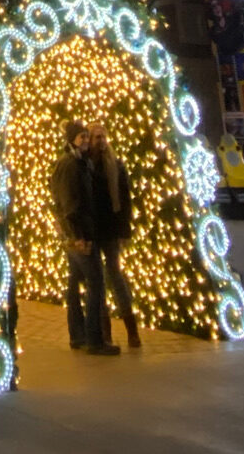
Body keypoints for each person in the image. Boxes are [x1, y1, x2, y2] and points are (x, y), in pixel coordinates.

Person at [50, 120, 119, 356]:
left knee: (75, 282)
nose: (87, 142)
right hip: (79, 234)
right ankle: (94, 339)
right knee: (96, 282)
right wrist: (79, 235)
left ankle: (78, 336)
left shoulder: (79, 162)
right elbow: (71, 204)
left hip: (75, 232)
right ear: (72, 140)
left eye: (86, 137)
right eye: (82, 137)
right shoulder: (70, 165)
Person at [87, 122, 140, 349]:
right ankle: (104, 331)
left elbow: (125, 198)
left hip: (110, 229)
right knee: (97, 282)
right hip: (92, 230)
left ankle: (132, 330)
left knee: (116, 276)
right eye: (96, 137)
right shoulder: (85, 165)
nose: (100, 141)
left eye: (103, 136)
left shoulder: (115, 165)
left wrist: (124, 229)